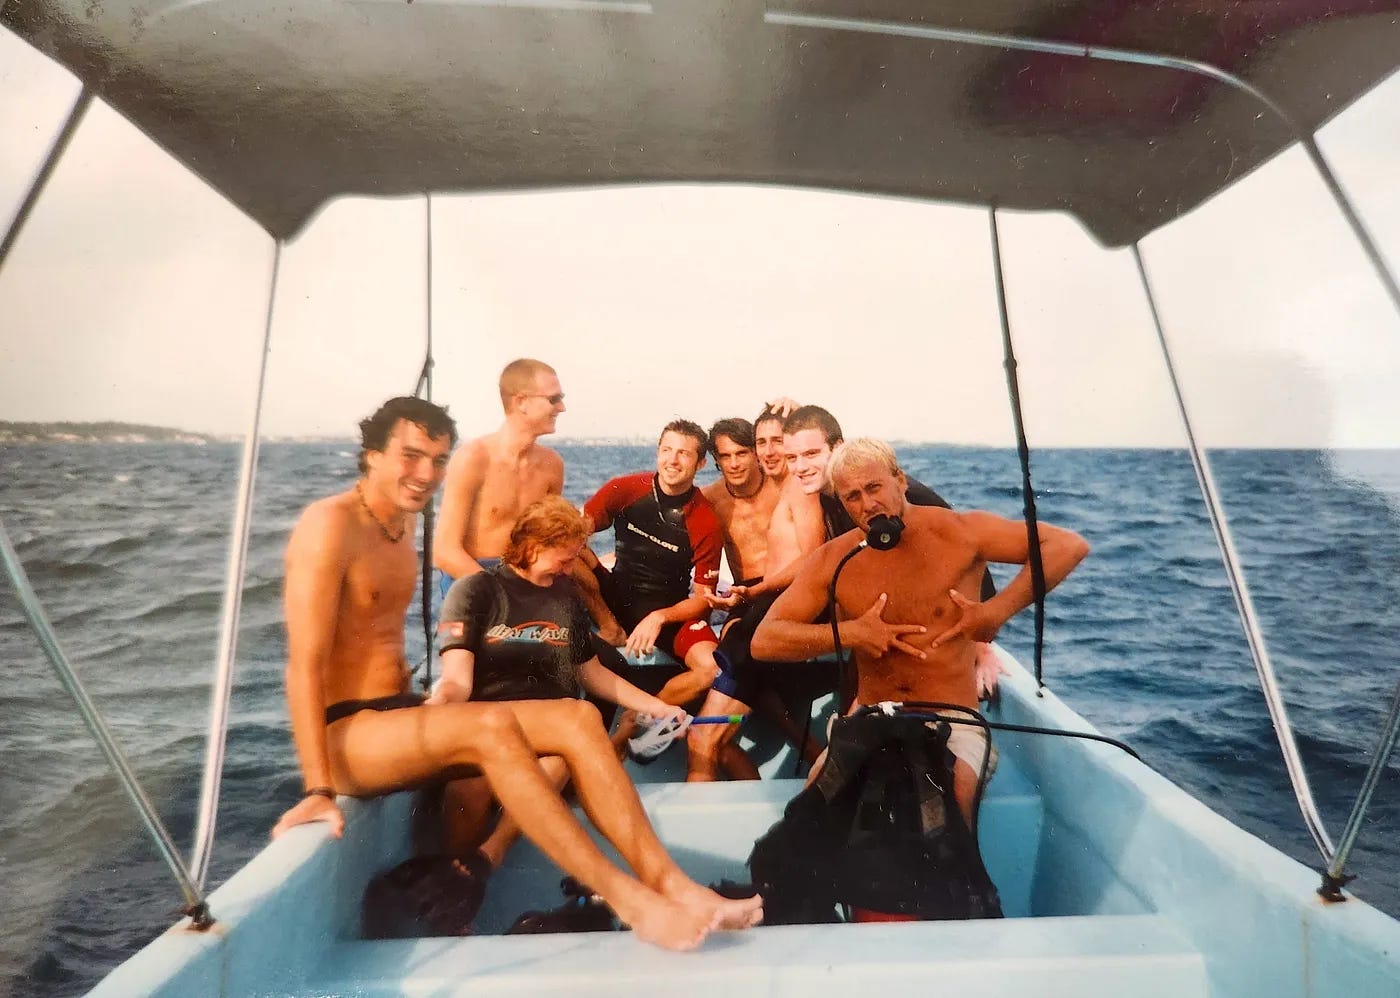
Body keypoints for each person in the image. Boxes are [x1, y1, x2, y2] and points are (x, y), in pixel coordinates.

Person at [272, 397, 761, 950]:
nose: (426, 473)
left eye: (437, 460)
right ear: (371, 454)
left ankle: (674, 885)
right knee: (491, 728)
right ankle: (635, 903)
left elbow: (586, 673)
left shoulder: (399, 529)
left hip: (402, 719)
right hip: (351, 735)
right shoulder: (330, 524)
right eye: (411, 456)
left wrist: (432, 707)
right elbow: (303, 665)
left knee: (577, 718)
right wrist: (315, 788)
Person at [751, 438, 1090, 821]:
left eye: (874, 488)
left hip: (953, 722)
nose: (867, 505)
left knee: (945, 824)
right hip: (870, 719)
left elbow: (1067, 546)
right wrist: (852, 633)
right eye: (852, 497)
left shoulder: (959, 532)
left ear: (900, 480)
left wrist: (996, 611)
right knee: (808, 822)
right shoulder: (836, 558)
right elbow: (765, 641)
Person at [687, 406, 1000, 781]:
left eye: (810, 455)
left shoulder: (891, 490)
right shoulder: (822, 489)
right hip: (839, 615)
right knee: (750, 637)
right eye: (791, 458)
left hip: (881, 626)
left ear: (838, 448)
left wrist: (982, 644)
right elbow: (805, 437)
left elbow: (971, 554)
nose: (798, 466)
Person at [434, 496, 687, 873]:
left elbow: (592, 673)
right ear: (533, 549)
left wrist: (659, 706)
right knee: (467, 790)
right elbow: (456, 680)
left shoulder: (566, 597)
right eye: (565, 558)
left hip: (551, 732)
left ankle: (493, 851)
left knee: (554, 764)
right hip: (489, 726)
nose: (571, 569)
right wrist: (436, 707)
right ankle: (451, 876)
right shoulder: (475, 591)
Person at [582, 420, 726, 731]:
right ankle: (610, 628)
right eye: (667, 450)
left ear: (701, 463)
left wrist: (659, 617)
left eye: (684, 454)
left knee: (712, 668)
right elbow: (576, 529)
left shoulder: (705, 521)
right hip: (613, 598)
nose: (673, 461)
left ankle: (635, 720)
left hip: (665, 610)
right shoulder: (625, 489)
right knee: (570, 550)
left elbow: (704, 600)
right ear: (657, 452)